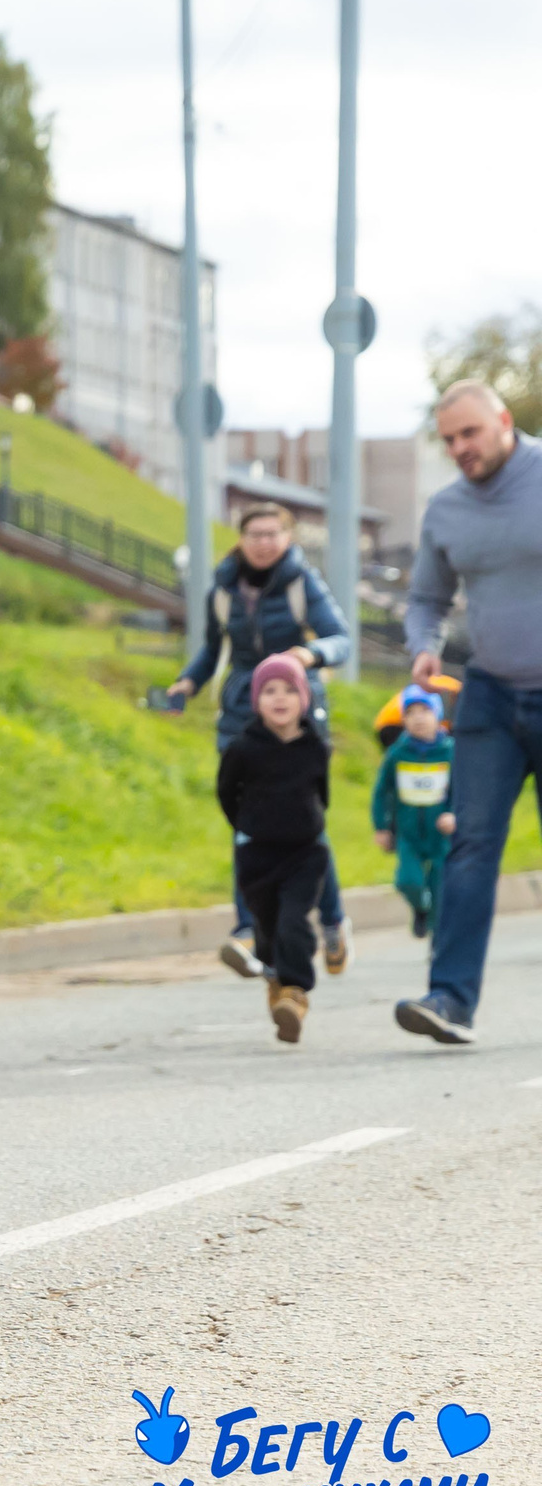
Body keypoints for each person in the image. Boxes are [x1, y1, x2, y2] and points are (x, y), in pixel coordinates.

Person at [396, 380, 542, 1046]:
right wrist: (422, 647)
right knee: (470, 847)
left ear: (503, 423)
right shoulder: (446, 510)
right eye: (449, 438)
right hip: (488, 694)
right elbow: (427, 598)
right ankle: (449, 999)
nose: (459, 448)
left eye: (470, 433)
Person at [167, 502, 354, 981]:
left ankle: (332, 922)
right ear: (242, 538)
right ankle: (248, 930)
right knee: (247, 826)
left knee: (305, 827)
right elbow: (212, 647)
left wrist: (309, 654)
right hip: (242, 718)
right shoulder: (224, 586)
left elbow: (340, 638)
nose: (265, 542)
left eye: (274, 533)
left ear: (288, 537)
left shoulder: (300, 583)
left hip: (296, 719)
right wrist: (188, 682)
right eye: (256, 534)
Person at [216, 653, 334, 1044]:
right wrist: (248, 826)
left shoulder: (316, 748)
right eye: (269, 690)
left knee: (294, 921)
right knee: (267, 928)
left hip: (305, 853)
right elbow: (226, 794)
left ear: (304, 697)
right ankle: (275, 979)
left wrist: (309, 826)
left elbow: (322, 795)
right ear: (256, 700)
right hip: (257, 856)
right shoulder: (243, 749)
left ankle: (295, 993)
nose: (280, 698)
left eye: (289, 690)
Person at [371, 685, 456, 940]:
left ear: (437, 715)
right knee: (408, 880)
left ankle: (437, 939)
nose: (418, 718)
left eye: (424, 711)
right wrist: (381, 827)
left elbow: (463, 790)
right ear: (403, 720)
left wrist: (454, 814)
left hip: (440, 833)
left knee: (439, 887)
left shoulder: (451, 751)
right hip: (408, 833)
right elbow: (381, 792)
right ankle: (420, 908)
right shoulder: (397, 753)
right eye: (410, 713)